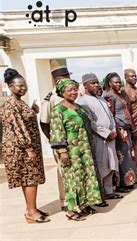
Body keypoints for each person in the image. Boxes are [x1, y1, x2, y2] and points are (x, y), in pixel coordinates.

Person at [1, 68, 50, 223]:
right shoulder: (9, 104)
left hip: (26, 147)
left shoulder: (19, 102)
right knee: (30, 178)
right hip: (20, 148)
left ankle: (31, 208)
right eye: (19, 86)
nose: (23, 88)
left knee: (28, 178)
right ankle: (31, 212)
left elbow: (24, 120)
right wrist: (28, 148)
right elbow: (17, 127)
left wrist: (32, 111)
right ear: (10, 86)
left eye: (24, 85)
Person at [50, 79, 102, 221]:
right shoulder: (58, 110)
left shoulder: (79, 107)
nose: (73, 92)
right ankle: (71, 210)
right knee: (72, 179)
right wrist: (62, 151)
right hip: (71, 151)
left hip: (84, 148)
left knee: (86, 176)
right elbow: (56, 131)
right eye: (69, 90)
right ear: (62, 92)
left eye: (75, 89)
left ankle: (84, 205)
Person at [77, 73, 121, 201]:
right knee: (101, 166)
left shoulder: (101, 99)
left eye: (97, 82)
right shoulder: (83, 101)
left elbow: (110, 117)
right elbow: (91, 122)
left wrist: (113, 130)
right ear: (85, 86)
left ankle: (108, 192)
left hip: (110, 137)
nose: (96, 85)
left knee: (110, 164)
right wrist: (106, 133)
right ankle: (100, 194)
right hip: (99, 138)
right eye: (93, 83)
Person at [39, 65, 70, 211]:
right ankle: (65, 201)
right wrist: (55, 142)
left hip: (75, 141)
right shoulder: (50, 98)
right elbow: (44, 122)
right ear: (56, 80)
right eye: (64, 77)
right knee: (63, 171)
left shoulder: (69, 94)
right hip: (60, 142)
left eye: (68, 76)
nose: (67, 79)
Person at [103, 73, 137, 193]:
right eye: (115, 82)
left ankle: (130, 181)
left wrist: (132, 128)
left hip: (126, 128)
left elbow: (127, 110)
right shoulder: (109, 97)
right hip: (119, 129)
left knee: (128, 155)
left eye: (119, 82)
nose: (118, 84)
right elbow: (111, 116)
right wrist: (117, 131)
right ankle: (121, 184)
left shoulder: (121, 94)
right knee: (121, 157)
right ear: (110, 83)